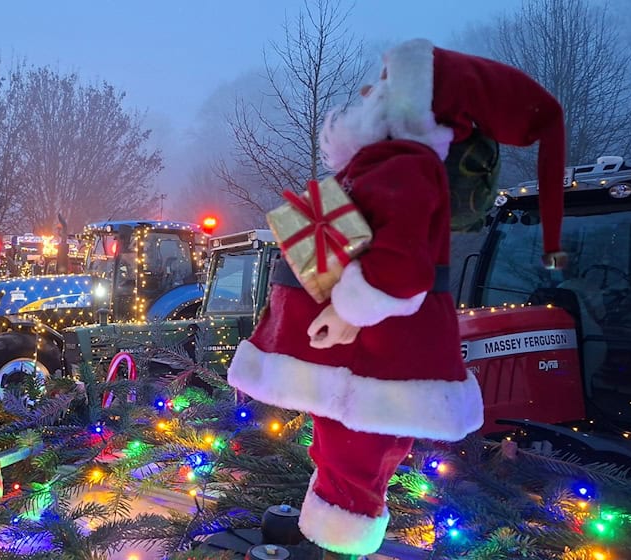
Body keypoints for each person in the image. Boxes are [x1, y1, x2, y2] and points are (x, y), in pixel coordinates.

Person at [227, 38, 567, 559]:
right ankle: (336, 530)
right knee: (341, 450)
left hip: (366, 356)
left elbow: (402, 268)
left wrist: (346, 312)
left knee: (355, 457)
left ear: (413, 105)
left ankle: (341, 538)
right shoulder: (382, 161)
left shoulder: (404, 162)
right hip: (353, 360)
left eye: (384, 84)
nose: (366, 90)